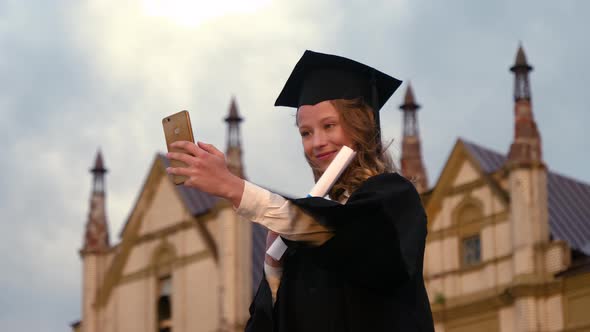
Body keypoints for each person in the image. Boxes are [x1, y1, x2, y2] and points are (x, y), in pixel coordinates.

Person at [166, 50, 434, 331]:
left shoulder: (392, 199)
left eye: (328, 126)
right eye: (306, 132)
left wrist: (234, 188)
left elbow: (346, 240)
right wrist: (273, 269)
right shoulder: (299, 238)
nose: (316, 142)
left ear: (362, 127)